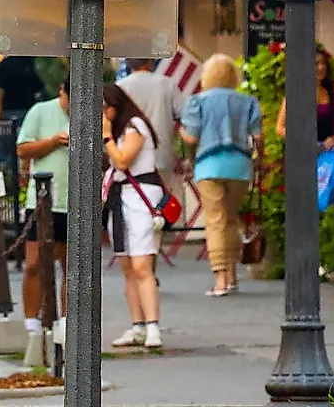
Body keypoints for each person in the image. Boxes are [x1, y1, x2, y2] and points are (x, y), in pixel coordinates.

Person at [178, 54, 261, 298]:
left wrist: (184, 138)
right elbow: (258, 137)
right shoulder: (247, 102)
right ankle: (233, 275)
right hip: (239, 166)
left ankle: (220, 278)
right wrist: (261, 159)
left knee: (215, 221)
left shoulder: (197, 102)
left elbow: (192, 138)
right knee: (232, 220)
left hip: (209, 165)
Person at [100, 81, 167, 351]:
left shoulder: (134, 126)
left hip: (139, 196)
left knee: (142, 265)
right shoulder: (119, 129)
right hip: (121, 196)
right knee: (127, 264)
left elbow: (123, 160)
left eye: (104, 107)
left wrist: (106, 137)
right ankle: (137, 324)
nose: (102, 113)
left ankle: (152, 325)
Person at [14, 82, 70, 346]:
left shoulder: (96, 113)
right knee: (34, 262)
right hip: (43, 199)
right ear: (62, 92)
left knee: (72, 266)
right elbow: (23, 149)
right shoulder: (41, 111)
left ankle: (68, 322)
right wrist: (53, 141)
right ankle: (32, 321)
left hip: (75, 200)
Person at [118, 58, 189, 242]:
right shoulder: (167, 85)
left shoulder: (119, 88)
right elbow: (185, 118)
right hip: (161, 157)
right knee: (157, 212)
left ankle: (136, 253)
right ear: (150, 62)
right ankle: (151, 252)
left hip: (128, 159)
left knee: (132, 212)